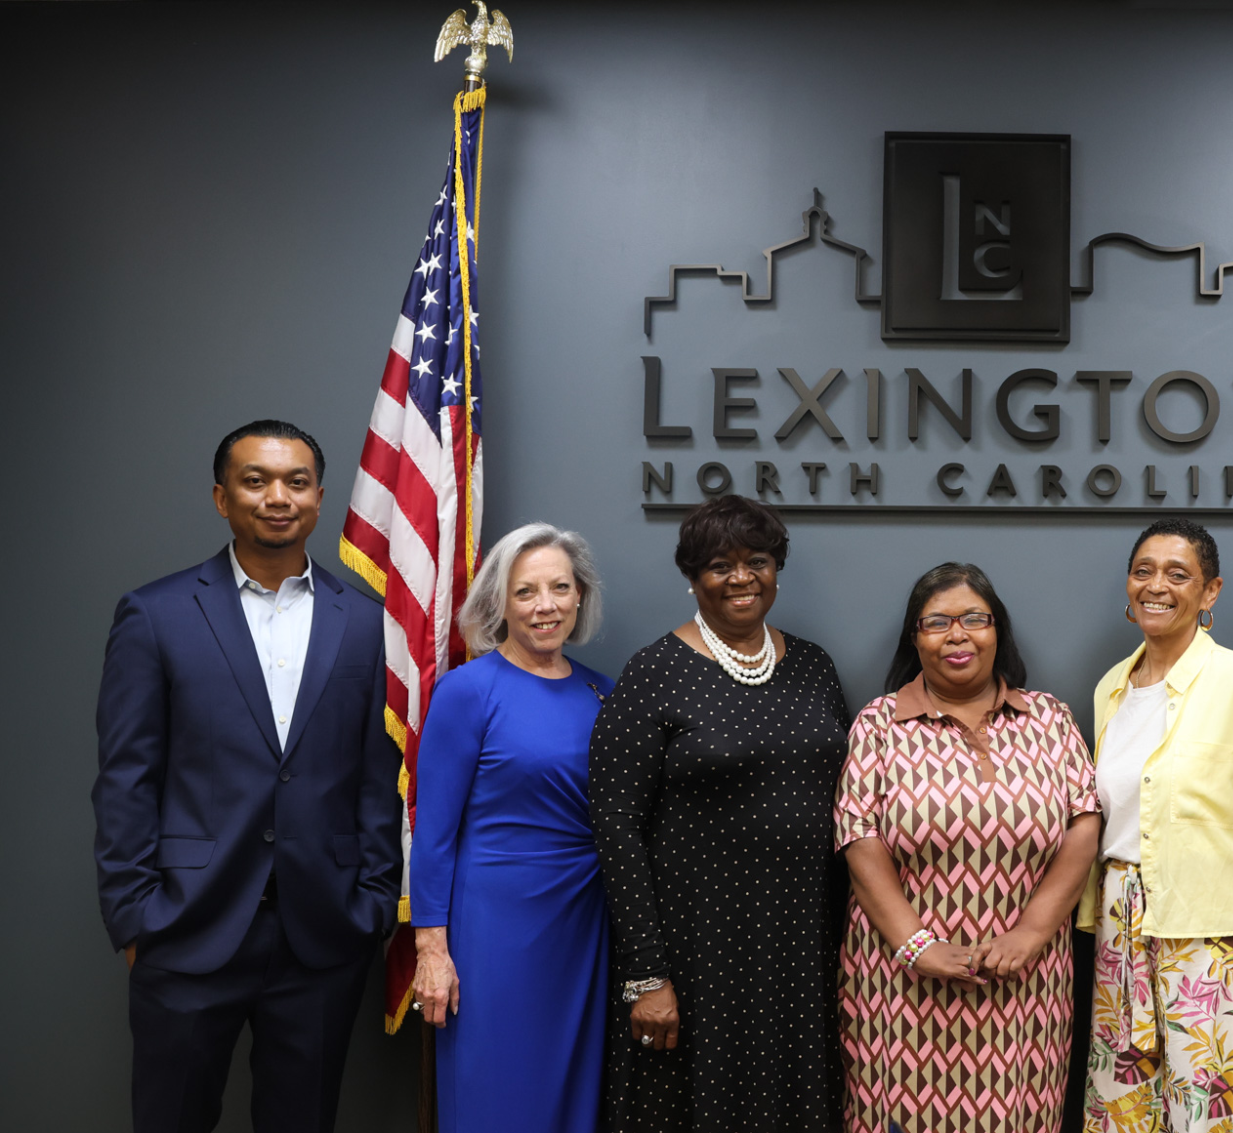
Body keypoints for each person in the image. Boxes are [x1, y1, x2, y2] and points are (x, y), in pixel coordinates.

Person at [92, 420, 402, 1133]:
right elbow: (125, 776)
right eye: (255, 480)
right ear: (220, 497)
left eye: (296, 481)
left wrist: (375, 898)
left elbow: (374, 773)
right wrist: (136, 914)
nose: (277, 497)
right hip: (185, 923)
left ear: (320, 499)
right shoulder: (156, 613)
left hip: (324, 932)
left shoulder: (368, 623)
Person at [588, 494, 850, 1133]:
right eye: (719, 565)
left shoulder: (813, 665)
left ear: (776, 568)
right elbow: (616, 826)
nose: (741, 578)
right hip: (695, 949)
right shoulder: (653, 673)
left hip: (800, 945)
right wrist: (646, 974)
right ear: (692, 577)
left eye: (756, 560)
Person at [837, 562, 1101, 1133]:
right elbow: (859, 839)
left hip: (1027, 986)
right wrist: (917, 945)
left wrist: (1030, 932)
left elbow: (1084, 826)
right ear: (915, 638)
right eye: (937, 623)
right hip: (900, 985)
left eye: (974, 619)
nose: (958, 636)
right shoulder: (880, 724)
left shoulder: (1050, 719)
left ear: (997, 631)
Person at [1079, 520, 1233, 1133]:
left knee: (1207, 1108)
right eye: (1144, 570)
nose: (1157, 586)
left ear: (1210, 592)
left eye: (1179, 574)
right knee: (1122, 1101)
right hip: (1122, 919)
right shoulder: (1110, 689)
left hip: (1218, 925)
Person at [408, 523, 614, 1133]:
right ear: (500, 603)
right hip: (494, 927)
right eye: (526, 592)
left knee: (576, 1087)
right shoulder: (468, 691)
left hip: (584, 924)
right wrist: (431, 950)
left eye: (559, 588)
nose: (545, 606)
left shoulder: (604, 692)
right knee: (494, 1087)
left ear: (581, 596)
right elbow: (435, 833)